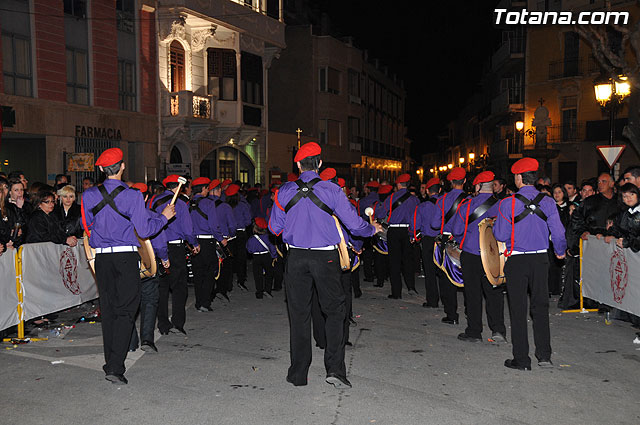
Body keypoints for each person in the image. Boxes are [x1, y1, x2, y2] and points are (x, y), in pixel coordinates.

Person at [268, 142, 381, 389]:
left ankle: (298, 374)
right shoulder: (332, 190)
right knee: (335, 312)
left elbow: (273, 228)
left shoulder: (284, 191)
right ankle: (335, 370)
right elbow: (354, 225)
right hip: (325, 258)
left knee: (298, 316)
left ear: (298, 165)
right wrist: (373, 228)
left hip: (296, 258)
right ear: (320, 163)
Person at [81, 148, 175, 384]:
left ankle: (110, 360)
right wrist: (164, 217)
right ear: (122, 167)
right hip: (125, 257)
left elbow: (86, 225)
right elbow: (144, 231)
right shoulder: (133, 196)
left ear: (101, 169)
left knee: (110, 310)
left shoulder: (88, 195)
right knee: (125, 311)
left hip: (101, 259)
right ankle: (115, 366)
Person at [493, 157, 566, 371]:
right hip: (541, 259)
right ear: (534, 178)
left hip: (516, 260)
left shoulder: (508, 203)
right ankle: (544, 355)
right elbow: (558, 232)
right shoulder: (549, 201)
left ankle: (522, 359)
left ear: (518, 178)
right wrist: (560, 252)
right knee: (541, 307)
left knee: (518, 309)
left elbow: (500, 234)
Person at [452, 171, 506, 343]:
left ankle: (474, 331)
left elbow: (457, 230)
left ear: (477, 186)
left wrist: (464, 240)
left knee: (472, 293)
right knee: (494, 293)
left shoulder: (467, 204)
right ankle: (498, 330)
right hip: (493, 255)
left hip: (471, 254)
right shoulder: (502, 205)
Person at [149, 175, 199, 335]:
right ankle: (178, 322)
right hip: (176, 248)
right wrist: (194, 243)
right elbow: (187, 228)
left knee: (161, 288)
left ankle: (163, 324)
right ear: (179, 188)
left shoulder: (153, 201)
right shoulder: (181, 204)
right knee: (179, 287)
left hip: (157, 247)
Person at [431, 167, 468, 325]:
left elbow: (434, 224)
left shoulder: (442, 200)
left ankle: (451, 314)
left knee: (446, 278)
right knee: (469, 278)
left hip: (447, 242)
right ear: (465, 181)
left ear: (451, 182)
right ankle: (470, 310)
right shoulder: (470, 199)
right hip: (466, 241)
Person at [375, 173, 420, 299]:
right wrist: (413, 233)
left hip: (394, 231)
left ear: (398, 184)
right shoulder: (414, 199)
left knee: (394, 261)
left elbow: (381, 212)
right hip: (408, 231)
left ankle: (396, 292)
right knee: (408, 260)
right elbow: (416, 218)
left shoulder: (391, 197)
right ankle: (411, 286)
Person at [188, 177, 222, 312]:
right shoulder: (208, 203)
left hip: (194, 242)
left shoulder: (189, 204)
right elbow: (214, 225)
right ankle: (205, 302)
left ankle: (198, 302)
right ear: (203, 189)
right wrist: (220, 238)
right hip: (207, 241)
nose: (208, 190)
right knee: (209, 272)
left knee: (197, 273)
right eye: (207, 188)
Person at [413, 177, 441, 308]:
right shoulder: (445, 203)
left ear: (428, 191)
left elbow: (416, 225)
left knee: (429, 272)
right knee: (444, 272)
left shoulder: (423, 206)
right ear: (440, 189)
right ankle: (448, 302)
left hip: (428, 240)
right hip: (442, 240)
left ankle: (432, 300)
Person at [226, 183, 251, 291]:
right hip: (241, 233)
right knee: (241, 257)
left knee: (230, 257)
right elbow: (248, 220)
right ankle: (241, 280)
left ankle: (228, 283)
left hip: (229, 234)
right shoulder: (242, 205)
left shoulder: (225, 206)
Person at [247, 217, 276, 298]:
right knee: (269, 274)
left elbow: (249, 250)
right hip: (266, 256)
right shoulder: (267, 237)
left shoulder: (251, 239)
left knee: (257, 275)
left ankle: (259, 292)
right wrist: (274, 256)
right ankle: (267, 290)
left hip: (256, 257)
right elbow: (272, 248)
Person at [358, 181, 379, 283]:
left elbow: (359, 214)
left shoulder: (363, 201)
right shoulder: (381, 199)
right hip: (379, 226)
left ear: (369, 189)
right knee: (379, 252)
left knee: (367, 252)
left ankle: (369, 275)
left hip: (366, 226)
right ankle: (380, 275)